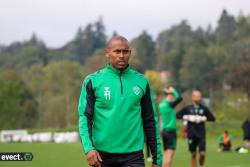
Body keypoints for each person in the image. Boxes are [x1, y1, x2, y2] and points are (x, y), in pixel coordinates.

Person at [78, 36, 162, 167]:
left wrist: (157, 159)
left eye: (125, 51)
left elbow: (150, 121)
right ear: (107, 53)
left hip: (133, 156)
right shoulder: (92, 81)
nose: (121, 55)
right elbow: (85, 118)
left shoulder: (141, 81)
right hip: (101, 156)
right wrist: (89, 148)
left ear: (130, 53)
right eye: (117, 51)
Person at [176, 90, 215, 167]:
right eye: (197, 96)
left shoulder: (204, 108)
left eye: (199, 96)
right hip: (191, 134)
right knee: (193, 154)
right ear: (192, 97)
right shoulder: (188, 108)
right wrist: (187, 117)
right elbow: (177, 115)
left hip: (201, 134)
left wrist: (203, 118)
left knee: (202, 154)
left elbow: (213, 118)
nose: (199, 98)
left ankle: (201, 165)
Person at [158, 86, 182, 167]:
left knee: (165, 154)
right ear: (170, 94)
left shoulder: (161, 105)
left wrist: (168, 92)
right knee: (170, 155)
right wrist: (173, 90)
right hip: (171, 132)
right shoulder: (170, 104)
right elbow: (180, 98)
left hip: (164, 131)